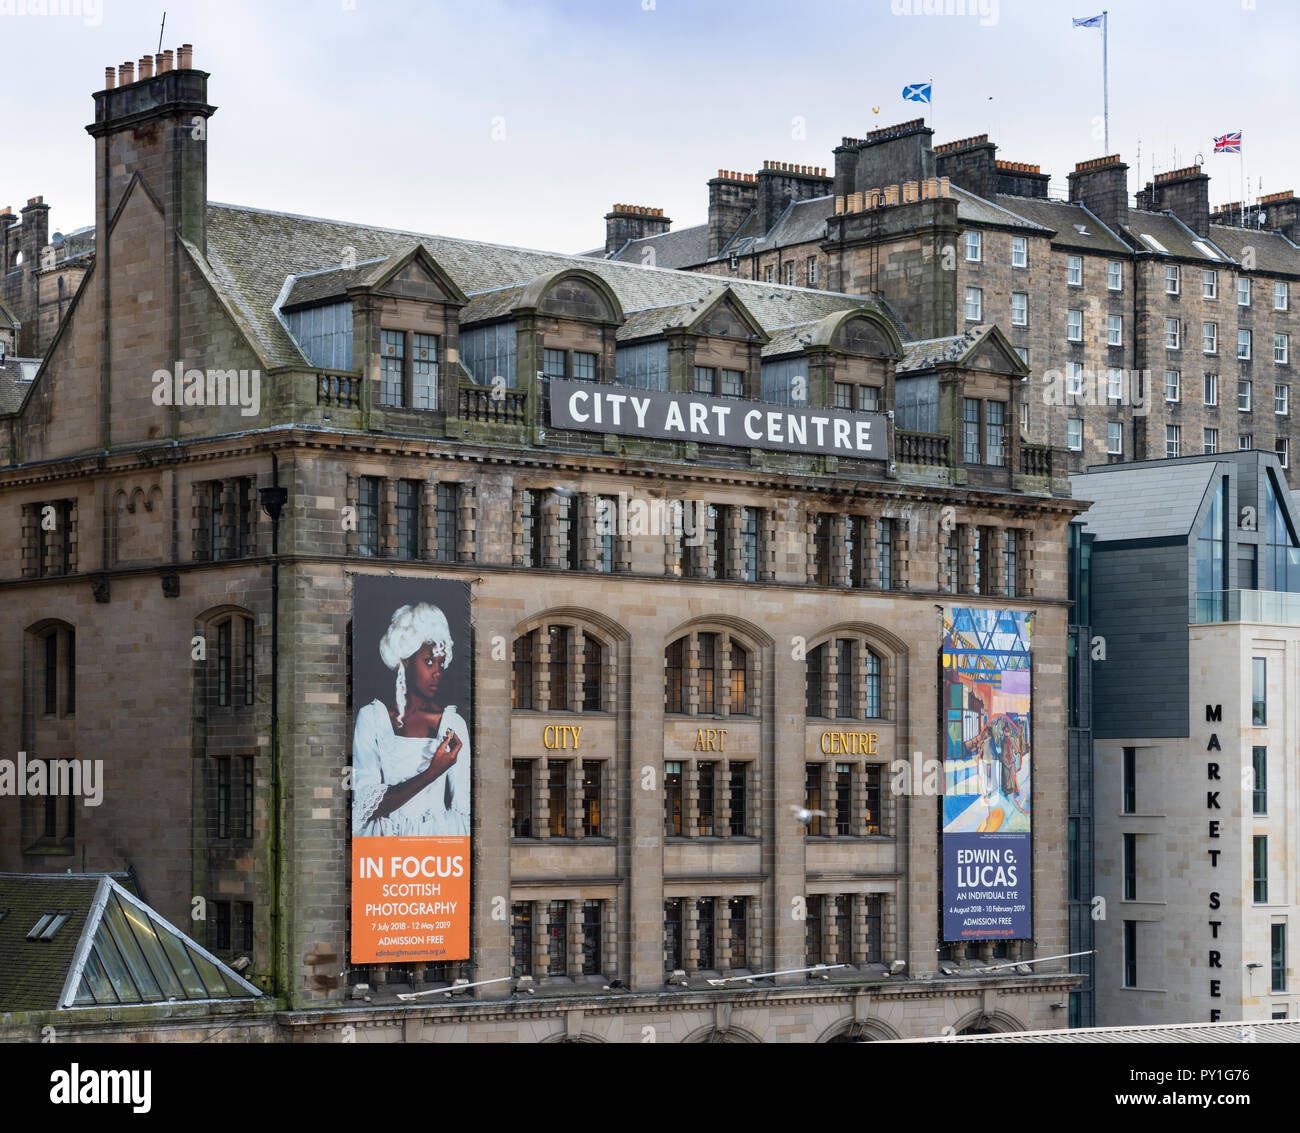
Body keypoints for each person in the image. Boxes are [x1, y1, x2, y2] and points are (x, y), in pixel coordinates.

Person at [352, 602, 470, 837]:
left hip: (436, 844)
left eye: (441, 662)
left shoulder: (453, 725)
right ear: (405, 659)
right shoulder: (372, 719)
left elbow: (463, 808)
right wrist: (433, 771)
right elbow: (367, 807)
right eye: (428, 661)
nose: (437, 671)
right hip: (384, 841)